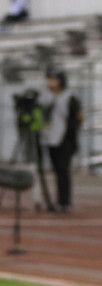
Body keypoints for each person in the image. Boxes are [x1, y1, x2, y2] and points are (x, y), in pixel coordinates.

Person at [43, 71, 83, 212]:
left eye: (53, 80)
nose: (50, 83)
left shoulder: (70, 97)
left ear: (60, 81)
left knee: (62, 169)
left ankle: (64, 202)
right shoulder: (48, 97)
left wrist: (72, 134)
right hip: (51, 139)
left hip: (65, 140)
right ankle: (59, 200)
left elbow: (78, 117)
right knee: (57, 170)